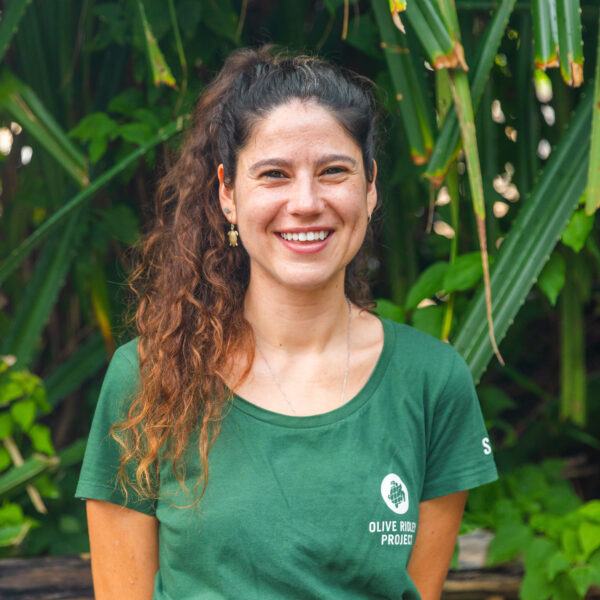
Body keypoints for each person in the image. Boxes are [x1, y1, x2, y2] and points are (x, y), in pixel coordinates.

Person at [76, 46, 498, 600]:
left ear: (369, 187)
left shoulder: (431, 380)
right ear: (228, 193)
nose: (306, 202)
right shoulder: (148, 376)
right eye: (274, 174)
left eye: (333, 172)